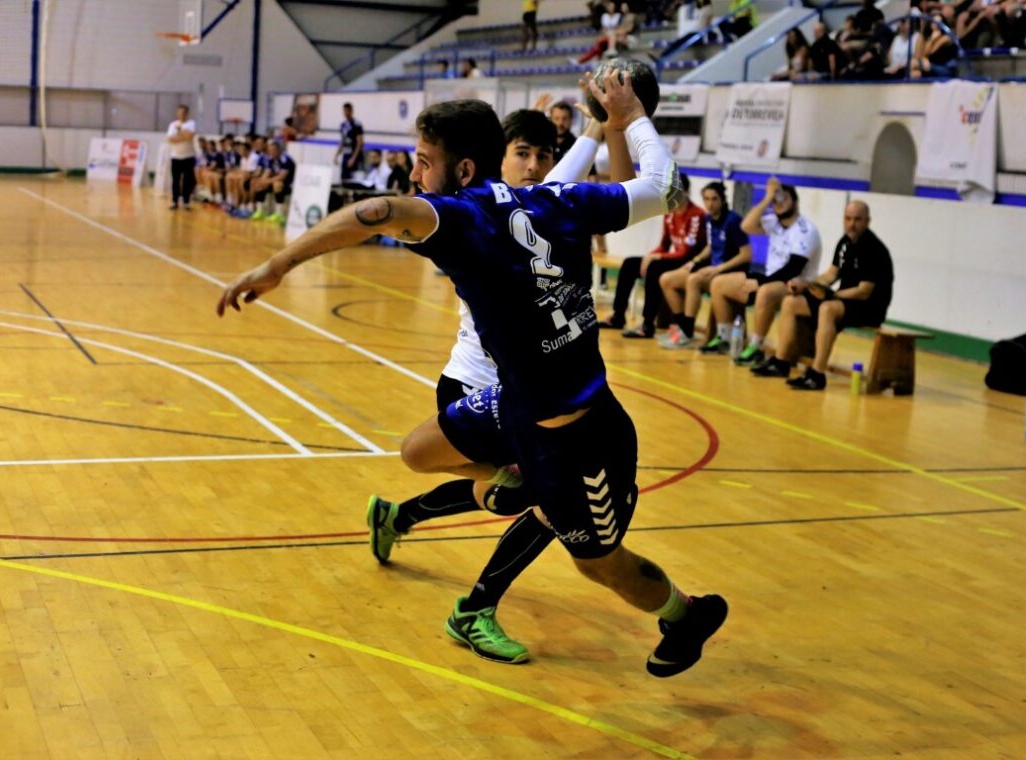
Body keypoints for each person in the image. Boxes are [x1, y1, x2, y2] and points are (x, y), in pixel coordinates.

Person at [217, 71, 727, 678]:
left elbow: (373, 212)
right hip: (515, 404)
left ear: (461, 172)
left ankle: (684, 612)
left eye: (422, 162)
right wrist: (629, 118)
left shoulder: (464, 219)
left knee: (597, 563)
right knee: (417, 451)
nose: (413, 175)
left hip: (582, 438)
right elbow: (661, 186)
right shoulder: (557, 202)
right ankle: (487, 490)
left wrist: (278, 264)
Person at [753, 200, 894, 389]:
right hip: (844, 300)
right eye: (848, 218)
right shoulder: (845, 242)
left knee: (827, 308)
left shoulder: (874, 249)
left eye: (857, 219)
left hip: (869, 306)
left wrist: (832, 295)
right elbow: (831, 274)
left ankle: (817, 374)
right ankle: (781, 362)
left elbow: (864, 291)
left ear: (867, 221)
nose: (852, 224)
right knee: (791, 303)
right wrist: (807, 285)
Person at [714, 179, 821, 367]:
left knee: (766, 292)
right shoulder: (774, 223)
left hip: (796, 284)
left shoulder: (805, 230)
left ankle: (757, 347)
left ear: (795, 202)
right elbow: (746, 226)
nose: (778, 204)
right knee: (719, 284)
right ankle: (725, 338)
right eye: (775, 201)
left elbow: (793, 268)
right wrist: (767, 198)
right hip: (771, 278)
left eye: (783, 199)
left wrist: (762, 283)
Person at [600, 173, 707, 338]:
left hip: (688, 262)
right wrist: (651, 255)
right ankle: (617, 316)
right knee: (630, 264)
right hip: (672, 259)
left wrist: (656, 258)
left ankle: (647, 324)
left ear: (686, 191)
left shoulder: (696, 215)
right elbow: (664, 245)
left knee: (654, 268)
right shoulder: (670, 213)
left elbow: (686, 252)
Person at [658, 181, 752, 351]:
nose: (710, 203)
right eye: (706, 199)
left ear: (723, 200)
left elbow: (746, 254)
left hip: (729, 273)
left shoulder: (733, 221)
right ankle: (682, 325)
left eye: (714, 199)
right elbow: (711, 246)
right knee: (667, 279)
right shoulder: (708, 219)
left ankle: (687, 331)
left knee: (694, 280)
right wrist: (694, 261)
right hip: (712, 271)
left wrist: (719, 268)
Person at [250, 141, 295, 225]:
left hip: (289, 183)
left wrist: (267, 181)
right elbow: (267, 172)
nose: (271, 153)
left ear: (279, 150)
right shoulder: (271, 159)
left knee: (277, 184)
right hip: (276, 181)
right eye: (270, 151)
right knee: (259, 184)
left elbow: (282, 177)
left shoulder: (286, 159)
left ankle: (279, 214)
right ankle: (260, 211)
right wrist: (260, 181)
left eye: (273, 151)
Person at [166, 104, 197, 210]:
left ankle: (186, 202)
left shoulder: (191, 124)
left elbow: (189, 137)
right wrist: (183, 135)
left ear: (187, 114)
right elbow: (171, 139)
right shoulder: (172, 124)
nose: (181, 115)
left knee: (187, 180)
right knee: (175, 180)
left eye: (184, 113)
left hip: (188, 156)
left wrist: (180, 132)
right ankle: (174, 201)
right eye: (179, 112)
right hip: (176, 156)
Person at [334, 102, 365, 185]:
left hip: (354, 157)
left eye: (348, 111)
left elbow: (360, 143)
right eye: (344, 111)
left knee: (353, 181)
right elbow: (342, 141)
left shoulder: (357, 124)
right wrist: (336, 155)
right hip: (345, 156)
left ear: (352, 111)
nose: (346, 113)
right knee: (343, 179)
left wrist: (353, 158)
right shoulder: (343, 125)